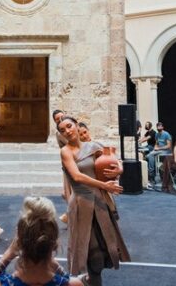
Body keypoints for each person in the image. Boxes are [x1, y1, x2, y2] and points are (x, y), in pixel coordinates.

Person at [58, 116, 130, 286]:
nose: (67, 131)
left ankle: (91, 279)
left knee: (103, 252)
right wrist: (104, 185)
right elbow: (77, 176)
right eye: (62, 130)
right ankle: (91, 278)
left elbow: (113, 158)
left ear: (76, 125)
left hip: (99, 202)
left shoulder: (93, 147)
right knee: (93, 255)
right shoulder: (65, 151)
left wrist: (119, 169)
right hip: (81, 203)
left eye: (69, 126)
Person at [0, 197, 83, 286]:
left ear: (19, 243)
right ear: (54, 244)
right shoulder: (74, 284)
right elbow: (70, 280)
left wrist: (8, 255)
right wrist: (54, 263)